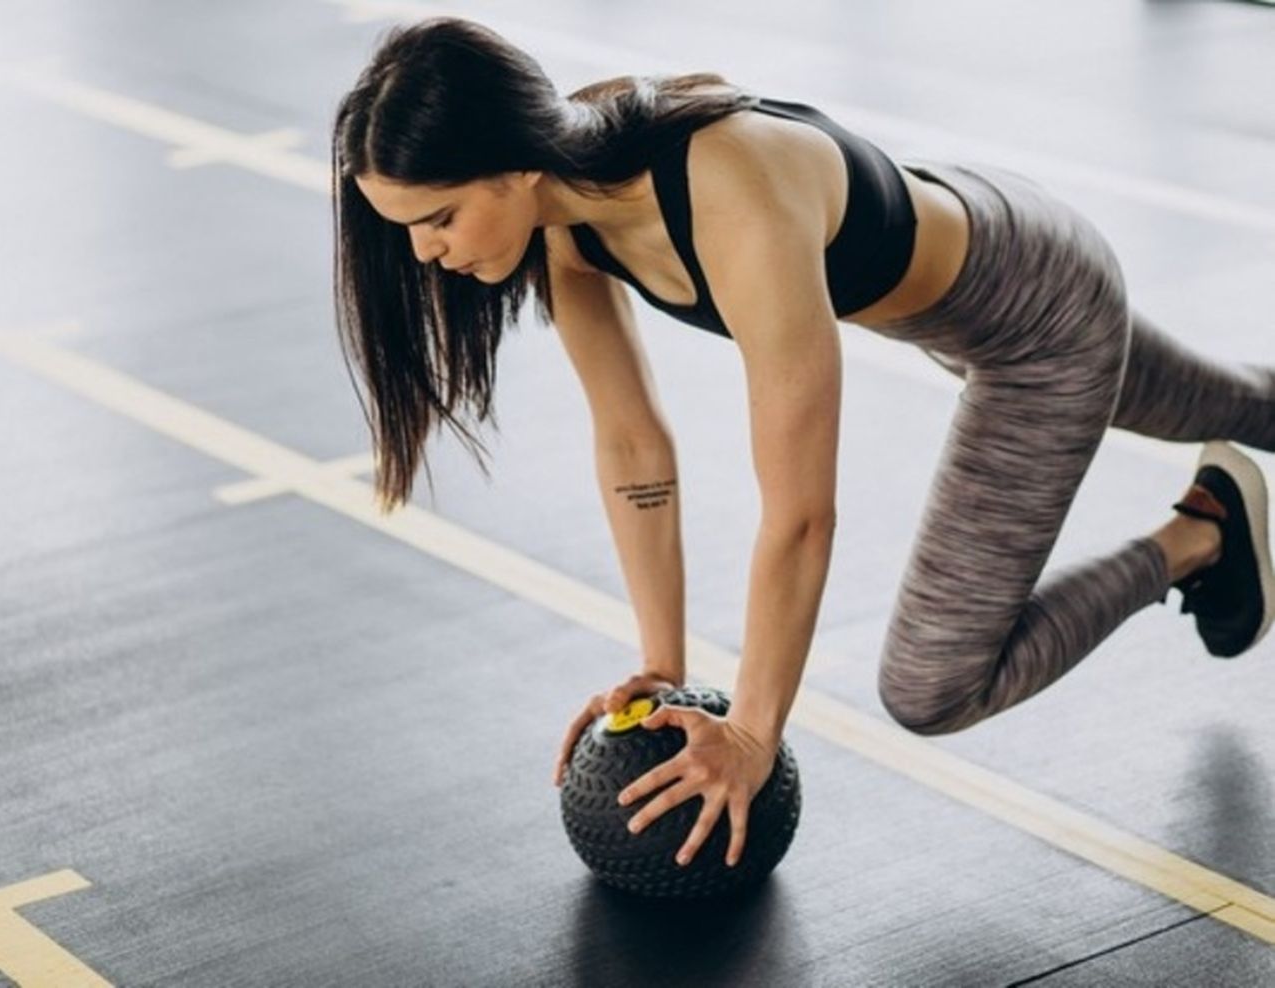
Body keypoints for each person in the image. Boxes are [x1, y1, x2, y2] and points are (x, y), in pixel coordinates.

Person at [329, 16, 1275, 871]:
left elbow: (800, 512)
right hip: (985, 278)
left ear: (514, 164)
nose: (425, 253)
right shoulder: (571, 213)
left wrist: (750, 730)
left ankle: (1205, 536)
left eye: (438, 218)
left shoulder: (730, 197)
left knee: (931, 688)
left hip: (1039, 320)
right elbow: (631, 444)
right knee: (1238, 404)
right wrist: (662, 663)